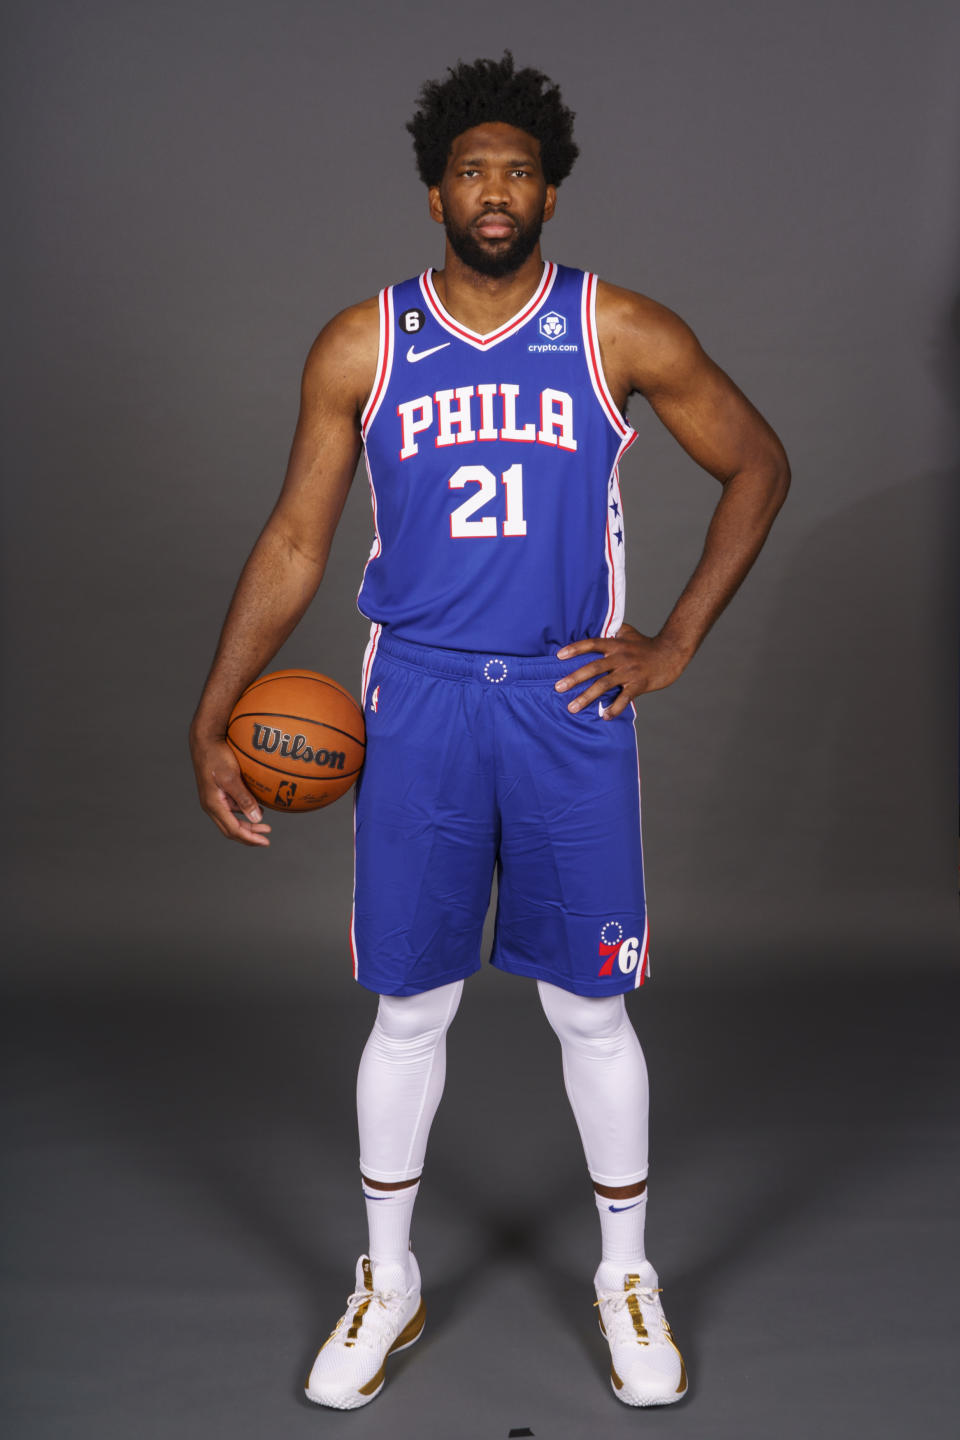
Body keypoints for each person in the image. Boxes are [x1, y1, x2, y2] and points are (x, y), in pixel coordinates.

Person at [189, 52, 789, 1411]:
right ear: (434, 194)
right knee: (412, 1004)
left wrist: (677, 637)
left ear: (553, 196)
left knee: (593, 1001)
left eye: (519, 170)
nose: (496, 189)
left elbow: (758, 460)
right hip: (422, 700)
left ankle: (625, 1276)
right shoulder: (365, 342)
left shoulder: (616, 330)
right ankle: (387, 1282)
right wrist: (215, 705)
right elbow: (297, 537)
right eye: (473, 169)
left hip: (568, 700)